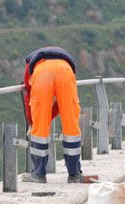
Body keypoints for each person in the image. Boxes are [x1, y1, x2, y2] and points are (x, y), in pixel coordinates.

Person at [21, 46, 83, 183]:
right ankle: (74, 174)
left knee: (40, 129)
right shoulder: (65, 59)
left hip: (42, 73)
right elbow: (60, 106)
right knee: (71, 125)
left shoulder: (30, 63)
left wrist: (32, 122)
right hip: (66, 72)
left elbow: (28, 95)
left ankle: (38, 174)